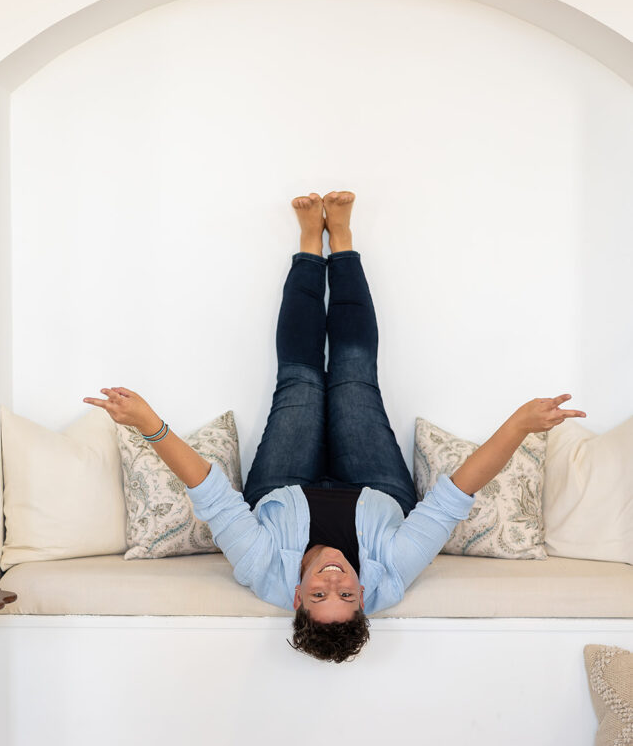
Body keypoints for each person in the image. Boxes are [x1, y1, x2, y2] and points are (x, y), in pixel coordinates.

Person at [84, 191, 587, 663]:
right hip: (376, 486)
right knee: (352, 374)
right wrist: (520, 424)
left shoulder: (263, 573)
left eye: (320, 595)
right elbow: (453, 495)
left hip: (283, 488)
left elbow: (211, 493)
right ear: (364, 595)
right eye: (346, 594)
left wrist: (148, 424)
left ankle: (309, 247)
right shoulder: (390, 576)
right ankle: (341, 243)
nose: (332, 578)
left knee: (300, 379)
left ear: (297, 597)